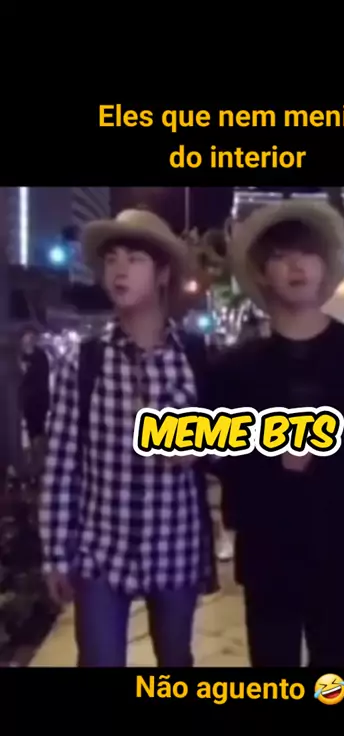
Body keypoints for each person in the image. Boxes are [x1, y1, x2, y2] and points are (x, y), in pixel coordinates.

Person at [212, 201, 344, 667]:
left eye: (307, 253)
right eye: (281, 256)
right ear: (263, 273)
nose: (296, 266)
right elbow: (213, 453)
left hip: (341, 550)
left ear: (325, 266)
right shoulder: (237, 368)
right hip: (268, 553)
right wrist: (267, 459)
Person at [39, 209, 216, 667]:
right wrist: (56, 554)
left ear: (162, 274)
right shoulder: (85, 362)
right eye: (111, 259)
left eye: (135, 259)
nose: (119, 269)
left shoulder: (193, 358)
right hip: (101, 551)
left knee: (175, 661)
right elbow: (61, 465)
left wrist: (196, 450)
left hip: (174, 546)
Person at [19, 326, 50, 473]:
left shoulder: (40, 356)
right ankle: (32, 459)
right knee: (29, 430)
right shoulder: (20, 356)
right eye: (27, 336)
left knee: (37, 430)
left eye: (32, 337)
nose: (29, 340)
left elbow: (42, 378)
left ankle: (39, 461)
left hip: (38, 400)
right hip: (25, 401)